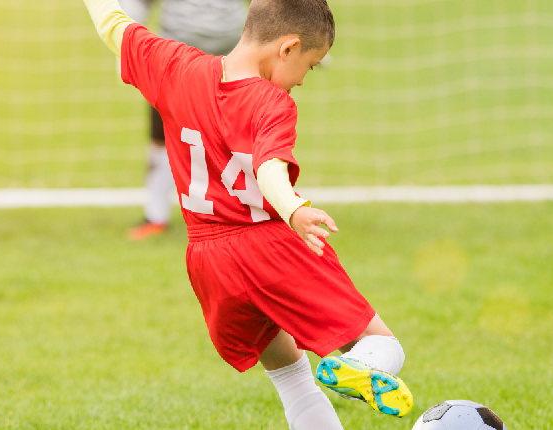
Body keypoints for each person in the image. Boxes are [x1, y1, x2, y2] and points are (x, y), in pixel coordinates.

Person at [82, 0, 414, 428]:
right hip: (268, 248)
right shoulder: (271, 103)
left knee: (290, 374)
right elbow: (269, 168)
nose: (303, 80)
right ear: (288, 48)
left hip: (209, 262)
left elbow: (114, 25)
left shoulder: (176, 67)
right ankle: (364, 366)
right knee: (385, 346)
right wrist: (293, 209)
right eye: (309, 66)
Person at [121, 0, 247, 240]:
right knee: (163, 135)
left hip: (231, 57)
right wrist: (127, 47)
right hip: (173, 56)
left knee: (234, 136)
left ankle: (237, 213)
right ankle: (155, 216)